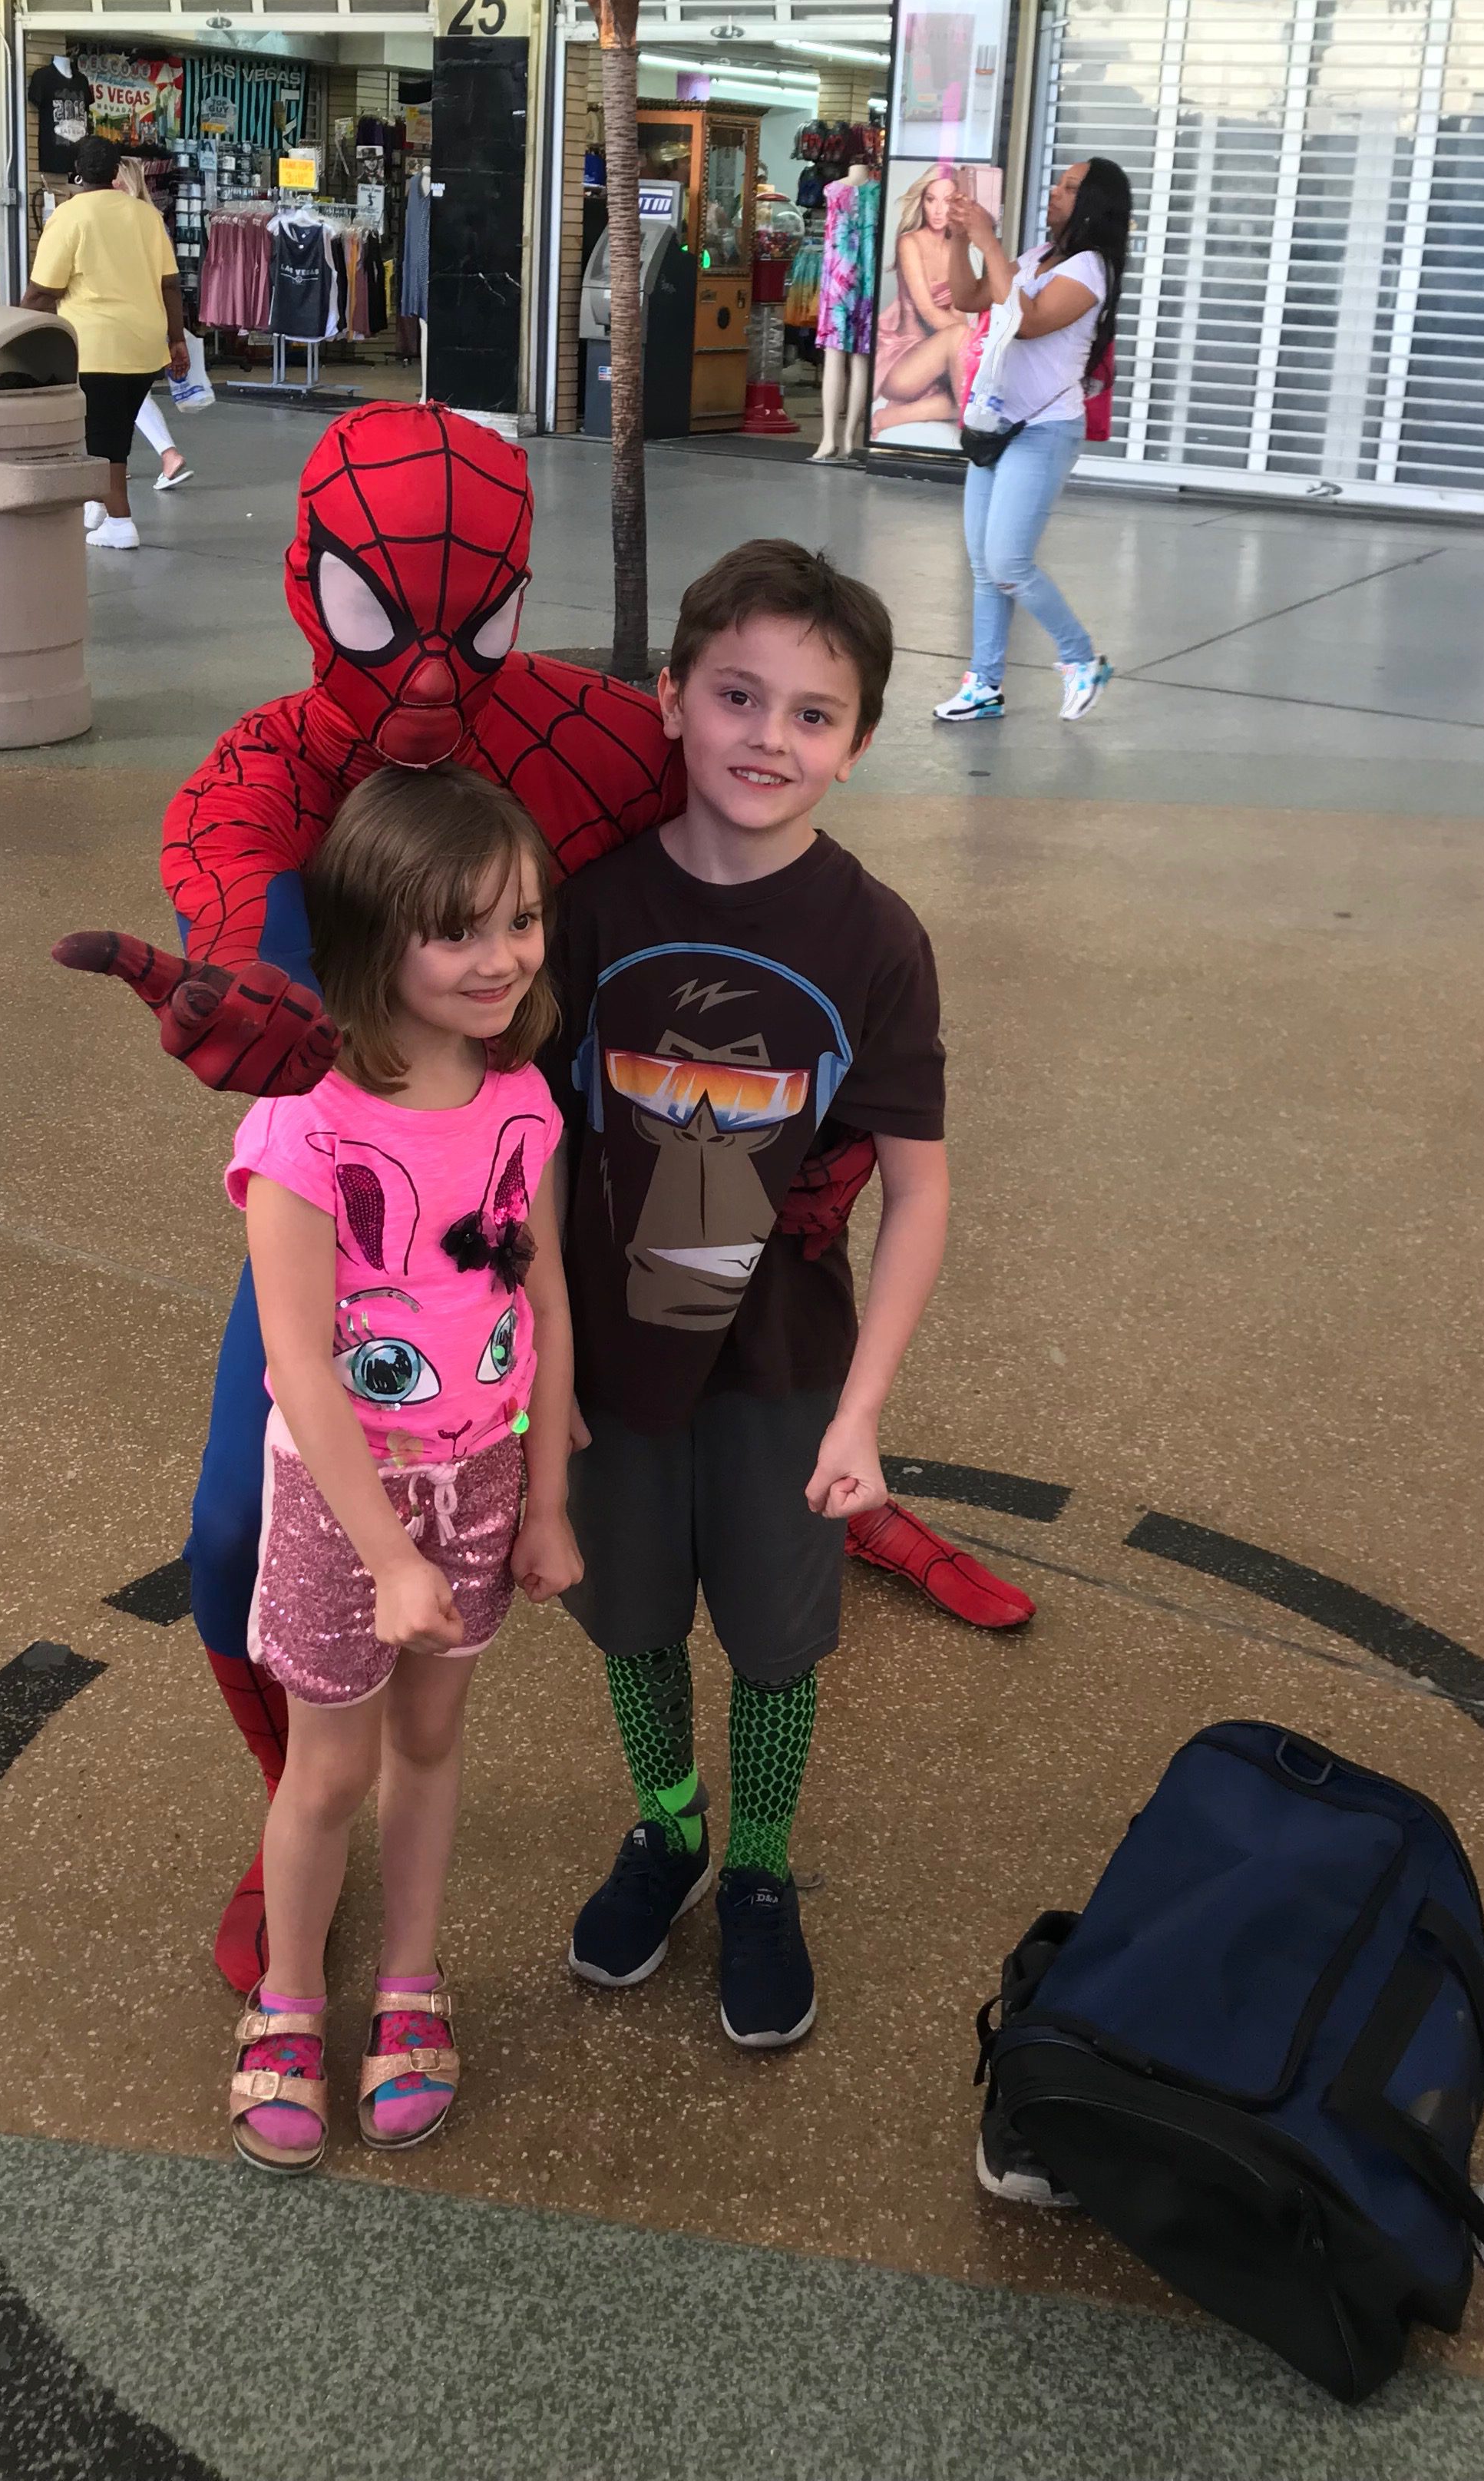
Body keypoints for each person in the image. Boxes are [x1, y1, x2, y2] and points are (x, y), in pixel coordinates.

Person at [51, 405, 1031, 1993]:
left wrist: (839, 1328)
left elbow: (756, 785)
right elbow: (232, 879)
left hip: (592, 1261)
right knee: (246, 1532)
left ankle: (734, 1840)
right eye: (384, 618)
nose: (432, 678)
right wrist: (249, 982)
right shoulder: (274, 768)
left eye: (476, 622)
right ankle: (304, 1799)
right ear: (312, 581)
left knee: (686, 1582)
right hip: (371, 1224)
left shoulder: (612, 735)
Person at [554, 538, 952, 2053]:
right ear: (669, 698)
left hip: (786, 1366)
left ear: (852, 748)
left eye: (809, 714)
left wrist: (865, 1410)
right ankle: (670, 1827)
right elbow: (518, 1152)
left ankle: (764, 1871)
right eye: (736, 694)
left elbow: (919, 1188)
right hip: (608, 1362)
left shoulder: (874, 941)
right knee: (630, 1614)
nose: (765, 738)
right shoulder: (582, 913)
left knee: (780, 1641)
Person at [223, 765, 578, 2174]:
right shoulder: (304, 1127)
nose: (499, 958)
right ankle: (291, 1996)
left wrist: (544, 1497)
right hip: (341, 1504)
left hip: (481, 1477)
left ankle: (411, 1980)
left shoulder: (522, 1099)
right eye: (458, 930)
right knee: (327, 1770)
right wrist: (383, 1556)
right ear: (377, 939)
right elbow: (301, 1364)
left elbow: (542, 1304)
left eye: (521, 921)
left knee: (431, 1745)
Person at [933, 157, 1131, 728]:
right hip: (999, 426)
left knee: (1009, 562)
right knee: (983, 564)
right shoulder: (1037, 258)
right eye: (1058, 183)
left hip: (1044, 431)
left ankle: (1079, 658)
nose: (1055, 192)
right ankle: (983, 685)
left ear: (1093, 203)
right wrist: (957, 239)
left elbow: (1029, 319)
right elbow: (969, 298)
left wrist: (990, 241)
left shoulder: (1091, 268)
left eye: (1069, 188)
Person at [19, 134, 188, 552]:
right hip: (146, 347)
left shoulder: (71, 216)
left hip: (94, 347)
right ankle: (99, 509)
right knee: (111, 436)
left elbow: (43, 291)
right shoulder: (146, 217)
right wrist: (178, 340)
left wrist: (18, 330)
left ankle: (120, 521)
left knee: (102, 441)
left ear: (78, 171)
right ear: (117, 174)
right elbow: (170, 286)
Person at [871, 164, 976, 438]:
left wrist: (968, 344)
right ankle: (978, 435)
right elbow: (927, 310)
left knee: (966, 393)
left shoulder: (956, 248)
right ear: (922, 202)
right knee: (963, 342)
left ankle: (892, 416)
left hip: (935, 362)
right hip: (902, 362)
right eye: (931, 200)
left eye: (948, 201)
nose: (939, 210)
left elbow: (960, 312)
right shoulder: (910, 242)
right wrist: (969, 340)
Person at [111, 153, 195, 494]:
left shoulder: (112, 219)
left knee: (119, 392)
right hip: (150, 316)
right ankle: (121, 461)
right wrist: (175, 333)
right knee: (127, 391)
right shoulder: (153, 219)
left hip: (115, 316)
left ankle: (165, 454)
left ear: (120, 181)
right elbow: (168, 279)